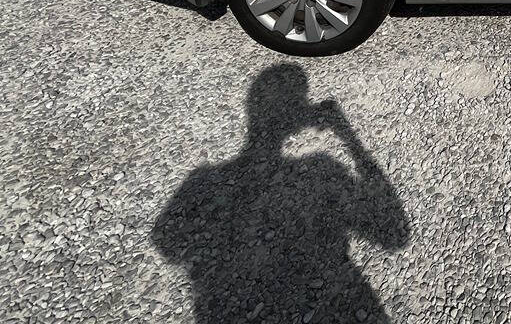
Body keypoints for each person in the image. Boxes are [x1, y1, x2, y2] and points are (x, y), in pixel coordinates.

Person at [153, 64, 410, 323]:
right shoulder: (322, 170)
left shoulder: (204, 181)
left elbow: (168, 243)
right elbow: (393, 236)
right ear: (298, 117)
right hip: (331, 306)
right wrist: (348, 137)